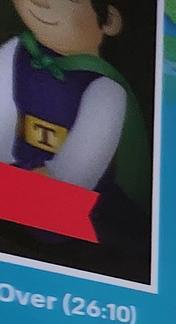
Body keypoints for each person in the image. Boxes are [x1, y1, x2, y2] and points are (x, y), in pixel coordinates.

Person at [0, 0, 147, 199]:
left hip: (69, 200)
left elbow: (76, 176)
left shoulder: (106, 91)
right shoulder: (15, 51)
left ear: (109, 21)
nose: (40, 3)